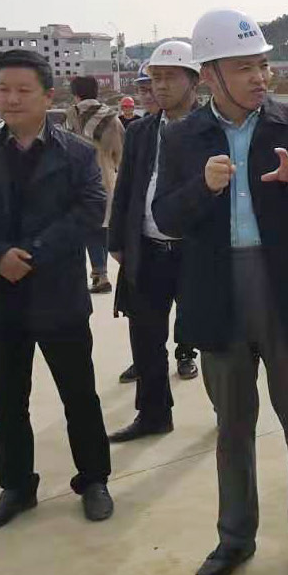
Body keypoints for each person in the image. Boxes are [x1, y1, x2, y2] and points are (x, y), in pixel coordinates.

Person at [153, 9, 288, 575]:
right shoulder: (182, 138)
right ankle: (234, 537)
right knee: (232, 427)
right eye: (244, 68)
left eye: (263, 65)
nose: (260, 77)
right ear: (210, 75)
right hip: (218, 293)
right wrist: (202, 188)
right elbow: (165, 218)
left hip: (285, 290)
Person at [0, 49, 113, 531]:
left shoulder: (76, 153)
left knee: (79, 395)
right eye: (3, 89)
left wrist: (33, 254)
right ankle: (17, 486)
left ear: (47, 97)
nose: (11, 99)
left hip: (57, 293)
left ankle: (94, 479)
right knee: (7, 402)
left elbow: (89, 209)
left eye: (23, 90)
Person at [106, 41, 204, 444]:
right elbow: (127, 188)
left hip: (195, 251)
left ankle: (231, 413)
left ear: (194, 81)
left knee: (214, 335)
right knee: (145, 338)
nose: (160, 86)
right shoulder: (142, 131)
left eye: (170, 77)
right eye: (155, 78)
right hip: (147, 248)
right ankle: (153, 414)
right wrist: (117, 240)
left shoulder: (211, 129)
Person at [64, 76, 124, 295]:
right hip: (105, 180)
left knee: (82, 230)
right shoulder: (112, 119)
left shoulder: (71, 115)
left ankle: (89, 277)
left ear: (76, 94)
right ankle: (101, 274)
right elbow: (121, 155)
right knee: (101, 228)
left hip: (77, 180)